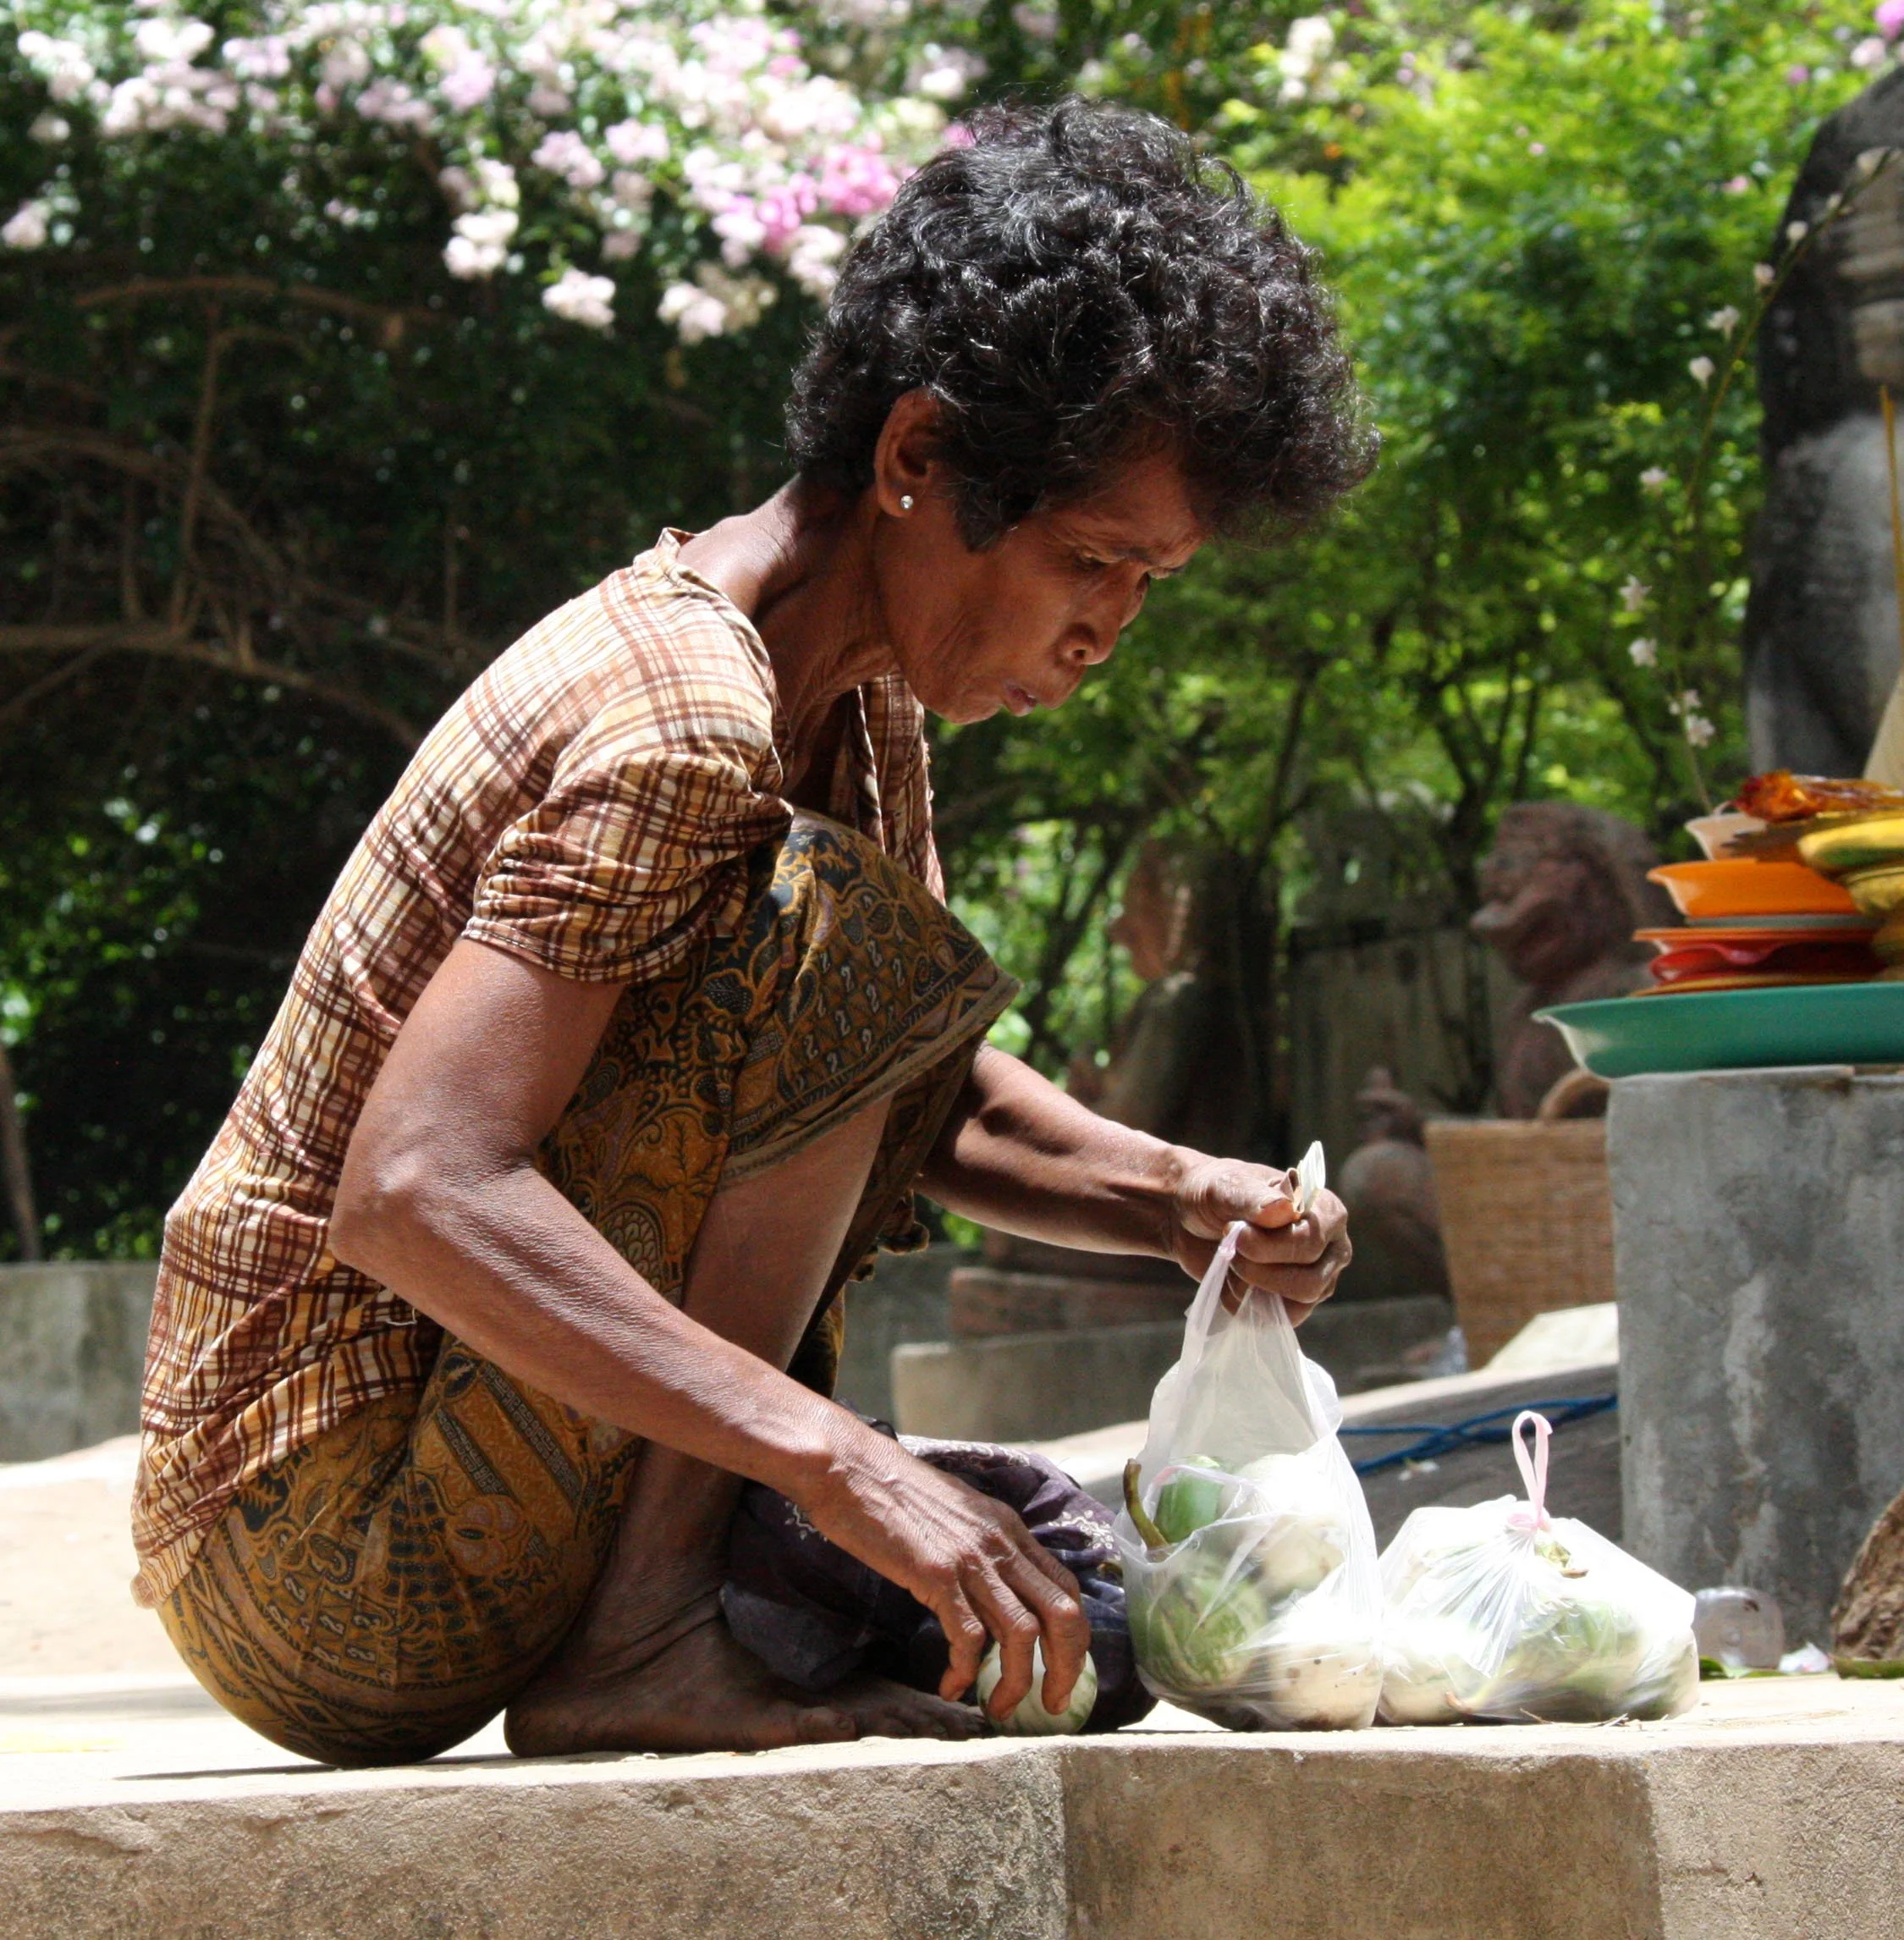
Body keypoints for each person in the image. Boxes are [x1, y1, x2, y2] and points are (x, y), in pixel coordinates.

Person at [134, 100, 1371, 1768]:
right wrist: (829, 1461)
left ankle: (674, 1610)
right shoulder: (678, 717)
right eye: (1095, 564)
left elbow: (893, 1086)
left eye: (1148, 588)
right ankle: (649, 1642)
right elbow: (421, 1188)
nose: (1106, 640)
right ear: (917, 461)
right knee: (844, 938)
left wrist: (1181, 1205)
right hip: (310, 1546)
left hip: (421, 1503)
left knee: (1050, 1553)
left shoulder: (854, 713)